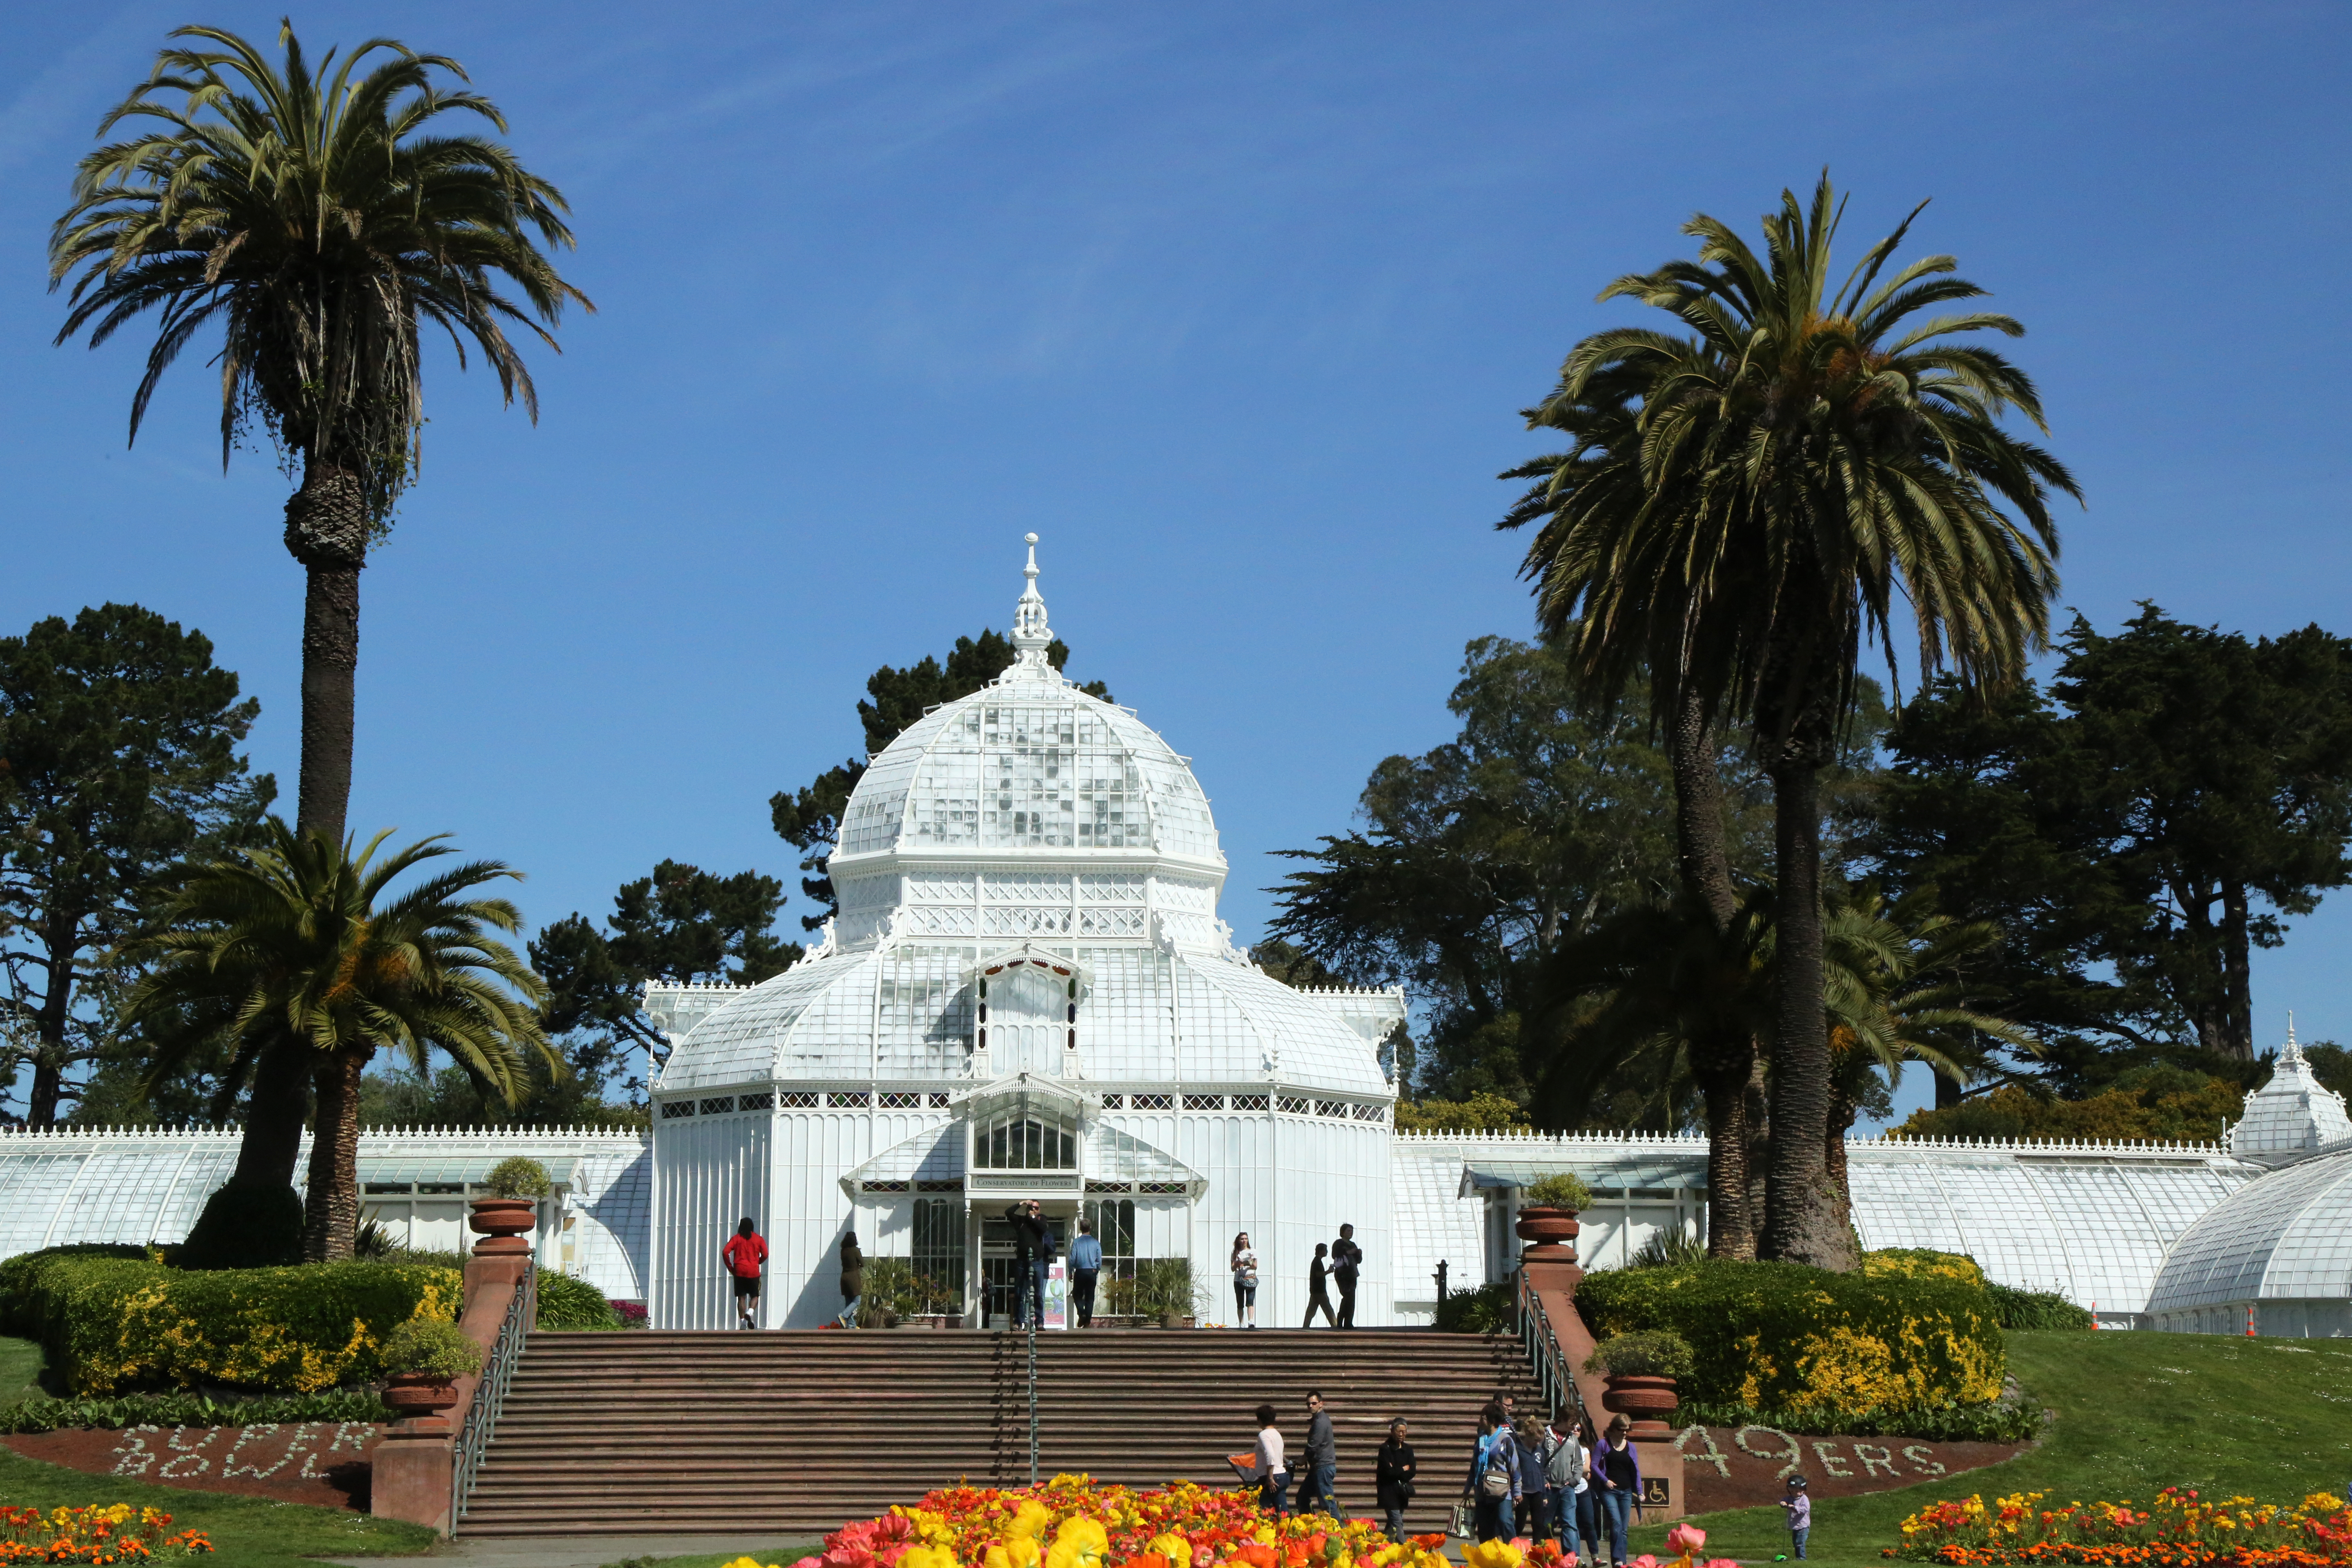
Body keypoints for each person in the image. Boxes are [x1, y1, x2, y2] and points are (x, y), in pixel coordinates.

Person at [1462, 1403, 1520, 1543]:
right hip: (1482, 1491)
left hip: (1501, 1490)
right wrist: (1468, 1487)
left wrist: (1517, 1490)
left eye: (1483, 1417)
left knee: (1505, 1521)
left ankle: (1514, 1553)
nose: (1480, 1420)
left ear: (1490, 1420)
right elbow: (1474, 1466)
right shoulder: (1480, 1440)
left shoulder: (1505, 1440)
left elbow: (1515, 1466)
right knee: (1484, 1527)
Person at [1591, 1417, 1641, 1567]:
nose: (1625, 1433)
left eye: (1627, 1430)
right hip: (1609, 1491)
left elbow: (1636, 1470)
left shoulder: (1631, 1447)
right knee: (1616, 1522)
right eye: (1621, 1430)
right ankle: (1617, 1559)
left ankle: (1622, 1562)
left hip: (1626, 1492)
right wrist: (1605, 1480)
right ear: (1613, 1429)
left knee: (1624, 1529)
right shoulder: (1603, 1444)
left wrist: (1640, 1491)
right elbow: (1594, 1465)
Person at [1004, 1200, 1055, 1329]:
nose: (1034, 1210)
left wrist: (1033, 1217)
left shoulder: (1041, 1220)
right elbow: (1008, 1212)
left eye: (1036, 1208)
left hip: (1037, 1261)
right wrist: (1021, 1203)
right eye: (1031, 1208)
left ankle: (1039, 1321)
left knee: (1038, 1293)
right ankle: (1018, 1321)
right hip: (1022, 1261)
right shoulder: (1021, 1221)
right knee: (1020, 1293)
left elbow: (1043, 1229)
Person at [1545, 1414, 1587, 1560]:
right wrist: (1544, 1479)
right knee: (1547, 1524)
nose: (1574, 1427)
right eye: (1572, 1423)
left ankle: (1573, 1557)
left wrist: (1575, 1480)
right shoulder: (1546, 1434)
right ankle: (1547, 1556)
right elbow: (1538, 1458)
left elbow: (1578, 1463)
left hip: (1567, 1487)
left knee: (1570, 1523)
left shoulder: (1573, 1439)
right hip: (1549, 1487)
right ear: (1563, 1420)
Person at [1374, 1418, 1417, 1544]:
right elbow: (1387, 1472)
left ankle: (1382, 1545)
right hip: (1388, 1491)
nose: (1401, 1434)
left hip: (1402, 1491)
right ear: (1392, 1431)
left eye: (1404, 1432)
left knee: (1393, 1523)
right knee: (1397, 1521)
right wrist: (1403, 1469)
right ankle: (1405, 1547)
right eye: (1399, 1431)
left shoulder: (1408, 1449)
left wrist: (1398, 1471)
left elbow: (1412, 1471)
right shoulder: (1385, 1449)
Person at [720, 1216, 766, 1330]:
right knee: (755, 1295)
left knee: (741, 1298)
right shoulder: (758, 1239)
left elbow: (726, 1252)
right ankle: (750, 1312)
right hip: (753, 1271)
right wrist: (757, 1262)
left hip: (739, 1271)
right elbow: (765, 1254)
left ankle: (743, 1323)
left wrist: (730, 1267)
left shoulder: (736, 1239)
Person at [1296, 1391, 1338, 1517]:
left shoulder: (1321, 1422)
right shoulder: (1318, 1420)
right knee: (1303, 1497)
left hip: (1323, 1467)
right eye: (1308, 1404)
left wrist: (1303, 1459)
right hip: (1318, 1467)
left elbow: (1314, 1445)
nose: (1311, 1406)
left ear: (1321, 1404)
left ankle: (1338, 1531)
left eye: (1314, 1403)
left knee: (1327, 1503)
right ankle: (1310, 1524)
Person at [1247, 1402, 1290, 1516]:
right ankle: (1287, 1527)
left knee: (1260, 1509)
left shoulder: (1264, 1435)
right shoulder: (1277, 1434)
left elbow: (1270, 1456)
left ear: (1260, 1420)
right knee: (1282, 1510)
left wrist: (1270, 1478)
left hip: (1273, 1477)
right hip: (1282, 1475)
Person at [1514, 1416, 1551, 1542]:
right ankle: (1512, 1545)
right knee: (1520, 1522)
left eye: (1539, 1441)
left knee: (1538, 1524)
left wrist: (1544, 1494)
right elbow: (1515, 1470)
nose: (1537, 1443)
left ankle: (1537, 1549)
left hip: (1538, 1491)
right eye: (1535, 1440)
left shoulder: (1540, 1451)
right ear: (1528, 1436)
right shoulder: (1518, 1449)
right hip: (1523, 1490)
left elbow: (1542, 1472)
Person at [1069, 1217, 1103, 1328]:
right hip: (1091, 1272)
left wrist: (1070, 1271)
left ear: (1080, 1228)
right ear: (1090, 1228)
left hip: (1080, 1271)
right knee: (1090, 1297)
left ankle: (1082, 1313)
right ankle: (1087, 1320)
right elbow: (1099, 1259)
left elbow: (1072, 1259)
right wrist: (1097, 1270)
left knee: (1077, 1295)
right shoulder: (1096, 1243)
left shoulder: (1077, 1242)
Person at [1330, 1224, 1363, 1329]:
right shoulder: (1339, 1243)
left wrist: (1358, 1254)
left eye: (1351, 1231)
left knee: (1351, 1298)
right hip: (1342, 1273)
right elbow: (1335, 1255)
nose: (1351, 1233)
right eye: (1348, 1231)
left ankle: (1348, 1321)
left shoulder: (1353, 1244)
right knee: (1347, 1296)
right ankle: (1341, 1320)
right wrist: (1348, 1252)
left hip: (1352, 1273)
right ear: (1343, 1232)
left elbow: (1359, 1261)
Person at [1302, 1244, 1338, 1328]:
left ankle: (1306, 1327)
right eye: (1325, 1250)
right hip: (1320, 1291)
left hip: (1315, 1290)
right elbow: (1318, 1274)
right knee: (1329, 1310)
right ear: (1321, 1251)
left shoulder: (1316, 1261)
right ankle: (1335, 1326)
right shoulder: (1317, 1262)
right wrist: (1329, 1271)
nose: (1327, 1252)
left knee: (1311, 1311)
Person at [1231, 1232, 1260, 1329]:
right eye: (1242, 1239)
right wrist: (1238, 1263)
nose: (1244, 1241)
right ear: (1239, 1241)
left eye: (1246, 1239)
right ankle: (1241, 1323)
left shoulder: (1253, 1251)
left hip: (1250, 1278)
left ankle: (1251, 1321)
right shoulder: (1235, 1253)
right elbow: (1233, 1268)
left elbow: (1255, 1266)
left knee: (1250, 1301)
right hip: (1238, 1279)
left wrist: (1248, 1262)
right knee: (1240, 1303)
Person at [837, 1229, 863, 1329]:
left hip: (844, 1277)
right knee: (857, 1301)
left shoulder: (843, 1251)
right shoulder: (855, 1250)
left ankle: (852, 1325)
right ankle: (843, 1315)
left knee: (849, 1301)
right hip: (853, 1277)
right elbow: (863, 1263)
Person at [1781, 1475, 1811, 1560]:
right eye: (1792, 1491)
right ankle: (1798, 1557)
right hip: (1795, 1525)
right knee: (1795, 1542)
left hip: (1803, 1525)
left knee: (1800, 1543)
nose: (1795, 1493)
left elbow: (1805, 1509)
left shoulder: (1804, 1499)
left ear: (1803, 1490)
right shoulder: (1791, 1498)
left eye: (1797, 1491)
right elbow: (1784, 1500)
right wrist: (1783, 1503)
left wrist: (1793, 1507)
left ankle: (1802, 1558)